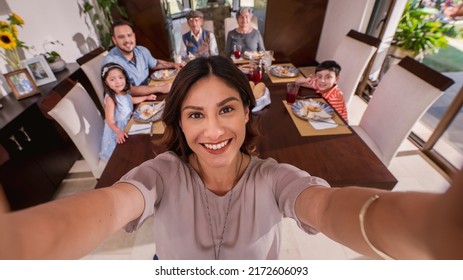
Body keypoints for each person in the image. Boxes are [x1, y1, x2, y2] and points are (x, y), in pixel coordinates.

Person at [1, 56, 462, 260]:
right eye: (195, 114)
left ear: (247, 111)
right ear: (179, 125)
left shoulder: (276, 176)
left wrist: (424, 231)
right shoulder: (160, 173)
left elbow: (324, 206)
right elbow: (107, 208)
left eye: (226, 109)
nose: (215, 130)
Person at [102, 20, 183, 96]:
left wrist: (173, 65)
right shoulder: (111, 62)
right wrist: (160, 88)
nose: (127, 40)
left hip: (149, 96)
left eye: (129, 35)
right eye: (121, 37)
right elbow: (128, 90)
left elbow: (155, 64)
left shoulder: (141, 50)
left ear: (134, 36)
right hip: (131, 105)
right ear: (114, 40)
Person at [99, 63, 157, 161]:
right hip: (119, 130)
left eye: (120, 78)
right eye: (112, 79)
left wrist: (146, 97)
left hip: (129, 124)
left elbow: (131, 100)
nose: (118, 82)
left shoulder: (124, 92)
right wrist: (119, 132)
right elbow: (109, 120)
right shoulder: (110, 99)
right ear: (106, 82)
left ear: (125, 78)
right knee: (129, 153)